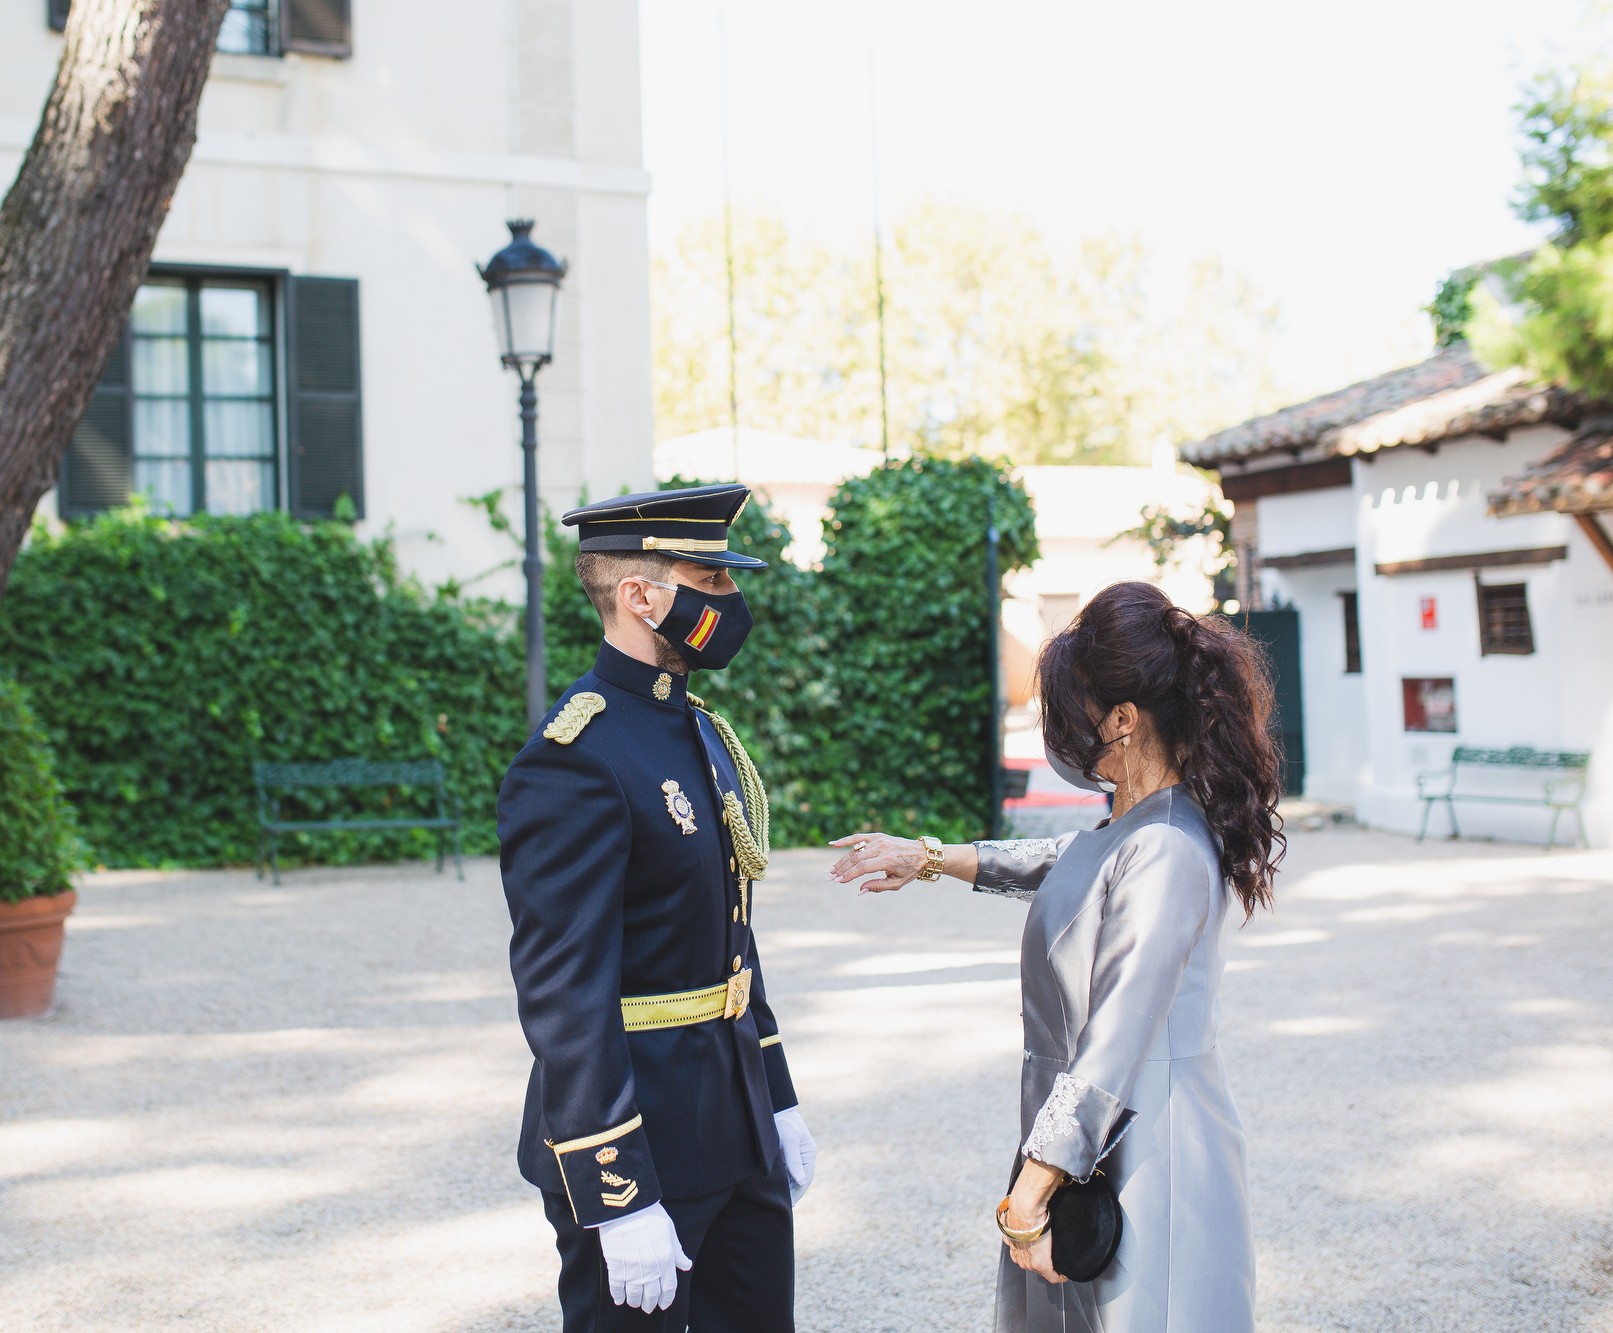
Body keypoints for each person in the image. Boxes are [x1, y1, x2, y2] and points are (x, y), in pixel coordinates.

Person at [828, 580, 1283, 1332]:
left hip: (1147, 1151)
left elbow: (1115, 1040)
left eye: (1072, 711)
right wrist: (929, 857)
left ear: (1124, 720)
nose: (1061, 731)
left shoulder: (1165, 846)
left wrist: (1031, 1190)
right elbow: (1064, 861)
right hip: (1087, 1140)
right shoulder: (1135, 826)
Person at [498, 482, 814, 1331]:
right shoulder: (576, 756)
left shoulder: (698, 730)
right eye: (711, 580)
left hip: (736, 1125)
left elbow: (730, 936)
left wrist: (777, 1097)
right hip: (643, 1140)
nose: (731, 600)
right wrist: (618, 1189)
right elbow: (565, 993)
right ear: (640, 596)